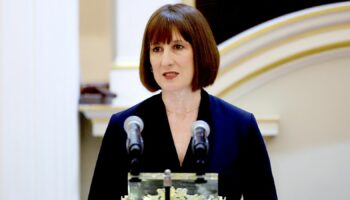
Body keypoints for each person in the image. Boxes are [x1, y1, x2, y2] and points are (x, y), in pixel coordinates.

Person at [88, 3, 278, 200]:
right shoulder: (124, 126)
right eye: (157, 49)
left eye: (177, 47)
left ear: (200, 52)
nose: (166, 60)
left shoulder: (240, 126)